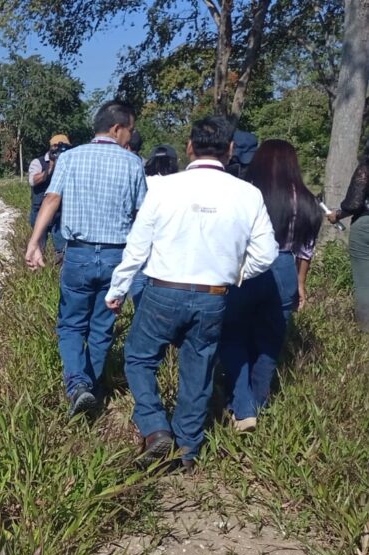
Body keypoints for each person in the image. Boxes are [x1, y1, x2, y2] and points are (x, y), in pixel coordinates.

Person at [105, 116, 278, 469]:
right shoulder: (248, 194)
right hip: (214, 295)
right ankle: (186, 449)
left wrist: (118, 288)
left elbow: (137, 247)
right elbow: (266, 254)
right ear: (230, 149)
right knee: (198, 370)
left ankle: (155, 426)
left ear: (189, 147)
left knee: (139, 357)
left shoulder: (162, 188)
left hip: (163, 291)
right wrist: (236, 274)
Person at [26, 101, 147, 415]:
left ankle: (77, 385)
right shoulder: (133, 163)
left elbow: (51, 199)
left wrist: (35, 241)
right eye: (130, 130)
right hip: (116, 257)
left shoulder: (71, 157)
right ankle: (91, 388)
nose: (130, 136)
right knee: (102, 326)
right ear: (117, 128)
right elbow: (142, 215)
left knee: (70, 325)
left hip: (78, 254)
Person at [219, 139, 323, 431]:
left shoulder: (247, 191)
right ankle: (258, 401)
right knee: (269, 344)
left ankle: (241, 404)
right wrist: (300, 283)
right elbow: (306, 249)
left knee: (233, 335)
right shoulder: (305, 199)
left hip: (247, 266)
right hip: (285, 267)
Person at [129, 144, 181, 306]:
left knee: (139, 277)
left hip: (142, 238)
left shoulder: (143, 181)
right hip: (168, 240)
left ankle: (139, 309)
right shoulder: (179, 184)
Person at [328, 139, 369, 330]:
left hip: (366, 224)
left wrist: (337, 214)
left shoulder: (366, 168)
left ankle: (365, 330)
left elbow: (354, 203)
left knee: (364, 283)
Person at [28, 134, 72, 257]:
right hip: (39, 210)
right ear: (50, 147)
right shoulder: (38, 162)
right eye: (55, 146)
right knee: (38, 247)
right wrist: (51, 167)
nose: (59, 150)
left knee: (62, 249)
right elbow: (33, 181)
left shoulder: (70, 163)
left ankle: (59, 264)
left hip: (60, 213)